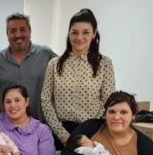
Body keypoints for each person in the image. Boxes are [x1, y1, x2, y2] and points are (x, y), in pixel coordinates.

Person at [41, 9, 115, 147]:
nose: (79, 37)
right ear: (69, 34)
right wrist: (62, 135)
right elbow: (46, 100)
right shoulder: (54, 64)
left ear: (94, 34)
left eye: (86, 32)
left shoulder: (104, 63)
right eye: (74, 32)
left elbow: (108, 101)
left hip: (92, 133)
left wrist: (89, 132)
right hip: (59, 134)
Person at [0, 13, 56, 122]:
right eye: (13, 31)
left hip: (41, 123)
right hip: (8, 125)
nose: (18, 35)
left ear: (30, 32)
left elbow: (64, 71)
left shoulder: (45, 54)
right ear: (7, 34)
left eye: (22, 30)